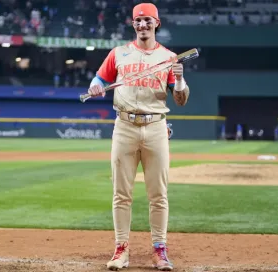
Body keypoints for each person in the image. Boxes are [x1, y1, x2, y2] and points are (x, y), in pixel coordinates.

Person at [87, 3, 190, 271]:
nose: (143, 25)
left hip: (156, 127)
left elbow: (180, 100)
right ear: (133, 24)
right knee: (121, 194)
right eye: (138, 20)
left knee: (159, 195)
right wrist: (96, 86)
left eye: (148, 20)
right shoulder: (118, 53)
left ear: (157, 23)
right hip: (124, 126)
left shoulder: (169, 57)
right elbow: (98, 80)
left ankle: (160, 251)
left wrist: (179, 81)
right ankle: (121, 250)